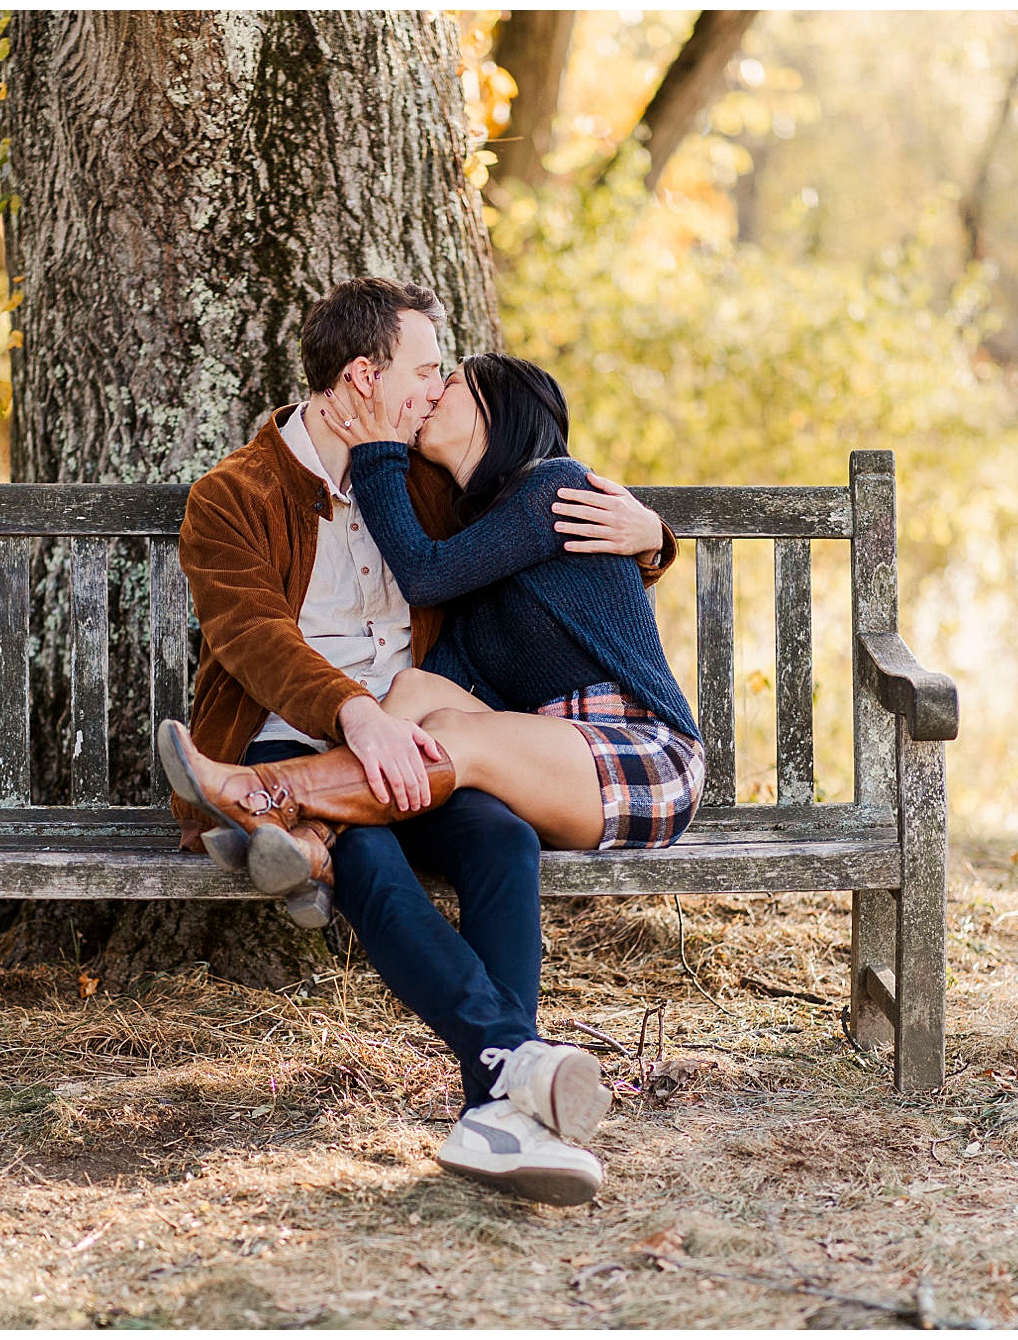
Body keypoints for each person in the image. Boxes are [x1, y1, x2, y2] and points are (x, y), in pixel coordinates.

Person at [163, 278, 678, 1206]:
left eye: (447, 378)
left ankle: (500, 1101)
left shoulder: (427, 486)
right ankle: (516, 1078)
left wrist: (653, 539)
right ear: (364, 377)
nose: (437, 390)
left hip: (425, 740)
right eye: (426, 371)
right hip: (296, 737)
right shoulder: (232, 496)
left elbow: (532, 532)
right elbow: (252, 639)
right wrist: (354, 714)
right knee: (375, 863)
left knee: (501, 838)